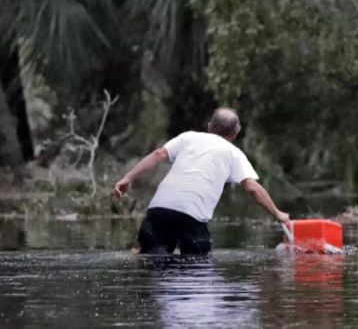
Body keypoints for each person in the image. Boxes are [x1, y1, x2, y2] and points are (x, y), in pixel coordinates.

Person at [113, 107, 290, 255]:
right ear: (235, 134)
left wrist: (128, 177)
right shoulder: (234, 153)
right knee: (198, 271)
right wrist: (277, 213)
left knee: (148, 264)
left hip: (158, 210)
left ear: (209, 126)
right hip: (192, 217)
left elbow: (158, 154)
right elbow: (252, 188)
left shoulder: (188, 137)